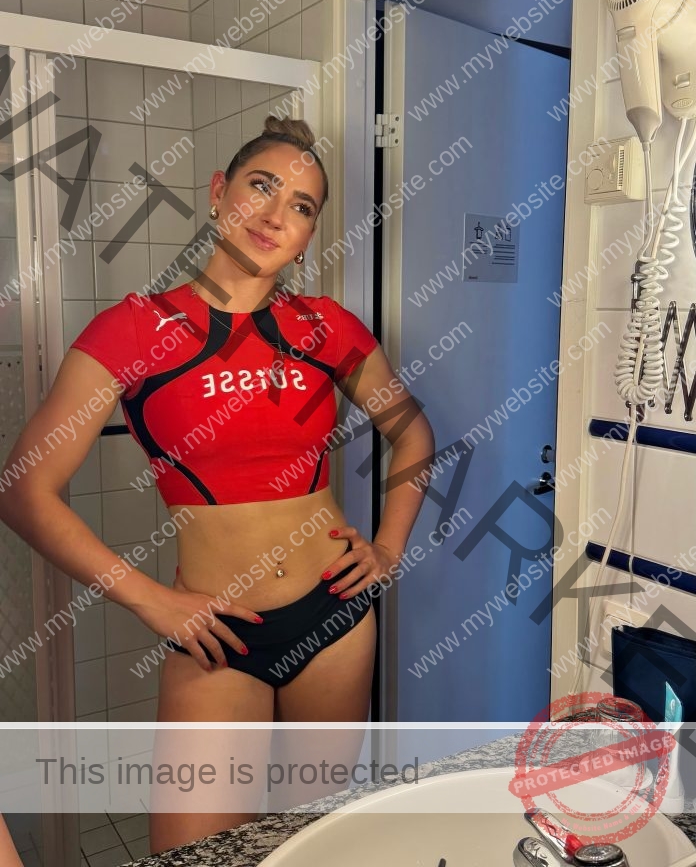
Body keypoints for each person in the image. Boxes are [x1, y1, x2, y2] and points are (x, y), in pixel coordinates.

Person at [0, 115, 435, 853]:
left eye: (301, 206)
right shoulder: (134, 329)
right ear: (216, 193)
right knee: (191, 855)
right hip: (214, 634)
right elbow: (23, 490)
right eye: (261, 187)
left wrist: (389, 547)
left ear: (309, 235)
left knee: (312, 843)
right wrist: (150, 598)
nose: (275, 215)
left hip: (333, 618)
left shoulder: (327, 326)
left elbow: (413, 432)